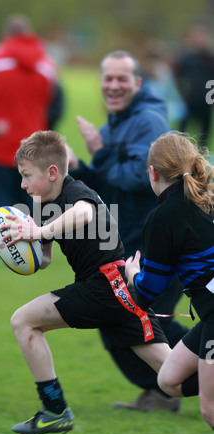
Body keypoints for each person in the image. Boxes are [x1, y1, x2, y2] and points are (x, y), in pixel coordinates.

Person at [0, 129, 170, 434]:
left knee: (23, 321)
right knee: (173, 376)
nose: (23, 184)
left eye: (27, 176)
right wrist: (22, 248)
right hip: (116, 290)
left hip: (105, 286)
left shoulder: (76, 192)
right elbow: (46, 259)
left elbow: (84, 213)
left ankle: (54, 411)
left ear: (53, 172)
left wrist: (36, 233)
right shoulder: (46, 203)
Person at [69, 50, 187, 412]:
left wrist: (100, 155)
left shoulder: (148, 120)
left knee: (141, 318)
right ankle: (162, 391)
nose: (114, 85)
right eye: (108, 78)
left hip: (161, 243)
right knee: (118, 318)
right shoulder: (115, 124)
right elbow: (110, 186)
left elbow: (142, 177)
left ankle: (185, 373)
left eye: (123, 78)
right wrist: (80, 168)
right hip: (129, 242)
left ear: (137, 83)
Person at [125, 131, 214, 430]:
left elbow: (151, 290)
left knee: (210, 410)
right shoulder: (207, 197)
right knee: (169, 379)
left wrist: (133, 275)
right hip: (209, 315)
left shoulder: (163, 216)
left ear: (153, 172)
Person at [0, 14, 63, 259]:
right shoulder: (48, 65)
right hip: (32, 144)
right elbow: (56, 102)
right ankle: (33, 247)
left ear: (6, 35)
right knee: (29, 197)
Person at [174, 24, 214, 149]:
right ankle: (179, 151)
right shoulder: (187, 57)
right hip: (189, 100)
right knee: (182, 130)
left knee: (204, 132)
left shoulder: (210, 57)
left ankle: (202, 157)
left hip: (206, 99)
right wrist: (182, 94)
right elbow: (179, 77)